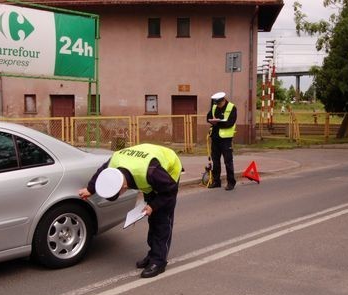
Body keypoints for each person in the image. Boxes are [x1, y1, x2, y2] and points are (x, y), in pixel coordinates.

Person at [78, 143, 182, 278]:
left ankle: (159, 261)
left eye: (119, 193)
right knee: (152, 218)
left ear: (125, 187)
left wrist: (153, 206)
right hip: (148, 167)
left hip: (168, 171)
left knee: (162, 219)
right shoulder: (114, 162)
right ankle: (153, 254)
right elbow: (101, 172)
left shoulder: (151, 172)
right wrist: (90, 189)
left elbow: (170, 190)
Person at [206, 91, 237, 190]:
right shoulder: (215, 107)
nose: (218, 106)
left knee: (228, 161)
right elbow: (208, 117)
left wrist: (217, 123)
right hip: (215, 138)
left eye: (220, 103)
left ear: (224, 100)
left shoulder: (232, 107)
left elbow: (230, 123)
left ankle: (231, 182)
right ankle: (216, 181)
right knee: (215, 161)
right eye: (217, 104)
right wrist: (211, 120)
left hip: (226, 139)